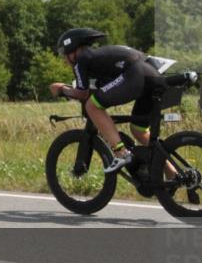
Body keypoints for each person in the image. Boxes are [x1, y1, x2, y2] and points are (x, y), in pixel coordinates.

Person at [47, 28, 168, 175]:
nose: (64, 60)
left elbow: (82, 92)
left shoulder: (82, 59)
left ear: (73, 50)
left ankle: (121, 153)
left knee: (92, 106)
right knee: (139, 131)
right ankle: (174, 174)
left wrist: (61, 89)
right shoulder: (96, 58)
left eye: (63, 54)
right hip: (154, 76)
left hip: (136, 74)